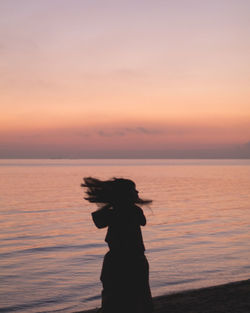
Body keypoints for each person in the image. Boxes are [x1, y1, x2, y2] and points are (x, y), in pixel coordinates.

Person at [82, 177, 153, 313]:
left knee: (118, 295)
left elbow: (98, 221)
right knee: (136, 295)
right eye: (133, 190)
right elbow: (142, 221)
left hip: (123, 259)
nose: (137, 192)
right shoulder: (131, 210)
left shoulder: (120, 211)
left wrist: (113, 204)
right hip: (129, 259)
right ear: (126, 194)